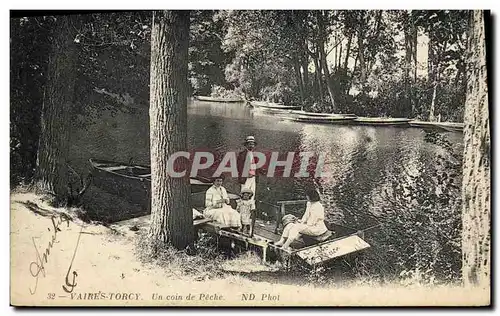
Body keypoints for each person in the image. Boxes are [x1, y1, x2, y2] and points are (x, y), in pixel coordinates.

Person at [237, 135, 260, 201]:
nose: (251, 146)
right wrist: (246, 174)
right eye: (250, 144)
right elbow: (239, 167)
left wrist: (255, 174)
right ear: (246, 145)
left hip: (253, 177)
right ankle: (243, 210)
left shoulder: (255, 154)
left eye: (253, 144)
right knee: (244, 194)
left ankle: (251, 209)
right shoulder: (242, 154)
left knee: (252, 194)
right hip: (246, 178)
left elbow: (256, 165)